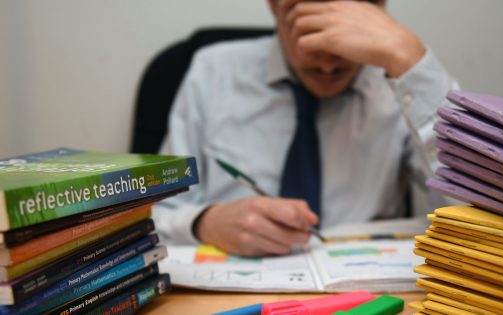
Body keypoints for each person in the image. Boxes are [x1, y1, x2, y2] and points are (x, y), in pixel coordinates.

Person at [153, 0, 458, 256]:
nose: (327, 66)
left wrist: (410, 60)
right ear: (275, 5)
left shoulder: (404, 85)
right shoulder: (212, 73)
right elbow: (151, 219)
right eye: (307, 29)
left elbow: (475, 218)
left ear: (377, 9)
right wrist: (204, 223)